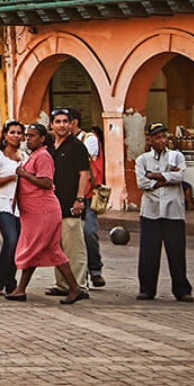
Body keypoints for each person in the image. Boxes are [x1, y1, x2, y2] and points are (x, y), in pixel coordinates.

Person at [6, 124, 86, 304]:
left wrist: (24, 174)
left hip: (44, 212)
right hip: (34, 212)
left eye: (32, 136)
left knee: (39, 247)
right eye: (27, 136)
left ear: (42, 138)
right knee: (47, 249)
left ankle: (73, 288)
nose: (28, 139)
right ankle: (22, 289)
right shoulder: (34, 155)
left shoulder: (43, 156)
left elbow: (46, 182)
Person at [134, 121, 193, 302]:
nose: (162, 141)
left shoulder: (177, 156)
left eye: (164, 137)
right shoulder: (142, 159)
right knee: (148, 253)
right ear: (149, 140)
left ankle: (182, 289)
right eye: (157, 137)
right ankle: (147, 288)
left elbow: (180, 176)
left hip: (173, 211)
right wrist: (167, 177)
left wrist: (155, 176)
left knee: (176, 252)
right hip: (150, 211)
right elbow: (141, 183)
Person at [46, 107, 90, 297]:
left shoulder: (77, 146)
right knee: (58, 247)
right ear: (51, 125)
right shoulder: (49, 147)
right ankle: (63, 284)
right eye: (58, 121)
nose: (62, 125)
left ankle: (79, 285)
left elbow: (84, 174)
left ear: (71, 124)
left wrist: (79, 199)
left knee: (74, 247)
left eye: (65, 121)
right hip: (53, 206)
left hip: (71, 205)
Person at [0, 120, 25, 296]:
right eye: (12, 132)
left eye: (19, 133)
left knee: (17, 245)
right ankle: (0, 281)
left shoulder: (24, 156)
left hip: (19, 205)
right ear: (5, 135)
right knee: (11, 240)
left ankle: (10, 282)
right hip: (1, 203)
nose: (16, 136)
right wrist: (10, 178)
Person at [75, 116, 106, 288]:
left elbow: (84, 159)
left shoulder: (90, 139)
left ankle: (95, 269)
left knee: (89, 233)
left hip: (88, 194)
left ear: (73, 123)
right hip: (71, 195)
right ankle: (81, 275)